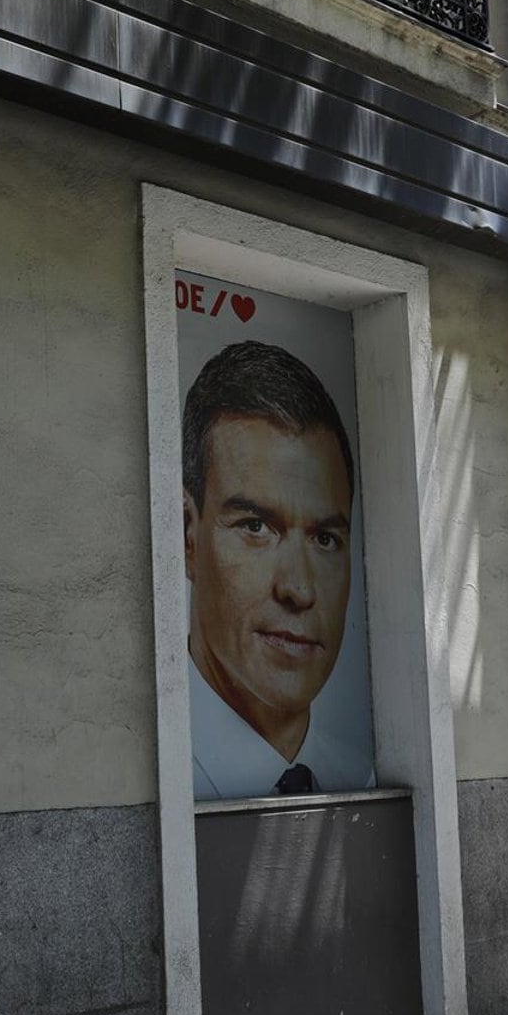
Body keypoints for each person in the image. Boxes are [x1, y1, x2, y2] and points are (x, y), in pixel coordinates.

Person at [182, 339, 374, 798]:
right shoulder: (159, 774)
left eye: (325, 538)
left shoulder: (360, 776)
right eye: (256, 526)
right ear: (187, 535)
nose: (298, 588)